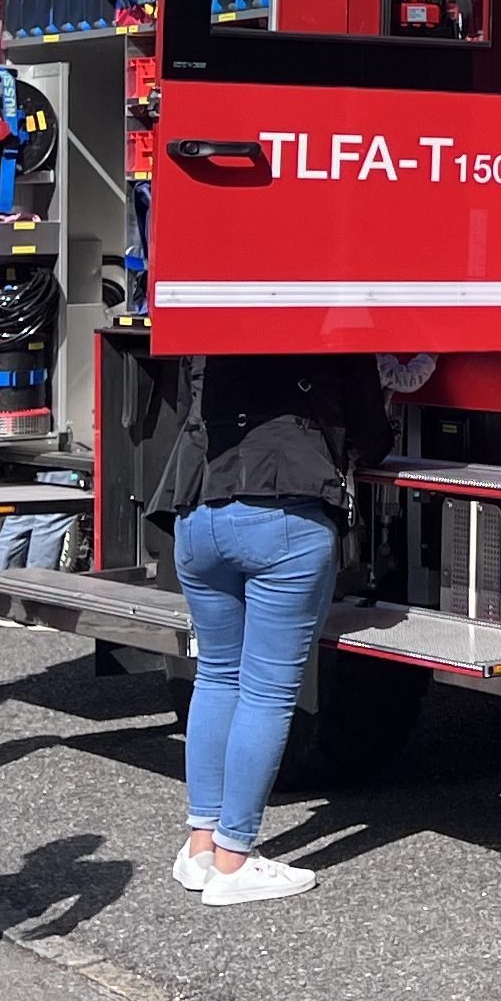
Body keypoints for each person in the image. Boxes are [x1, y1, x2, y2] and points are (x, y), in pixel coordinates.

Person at [149, 355, 390, 907]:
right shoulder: (327, 324)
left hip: (199, 511)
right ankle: (235, 860)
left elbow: (187, 409)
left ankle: (201, 848)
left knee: (216, 676)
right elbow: (371, 436)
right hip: (285, 515)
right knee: (267, 693)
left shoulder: (202, 323)